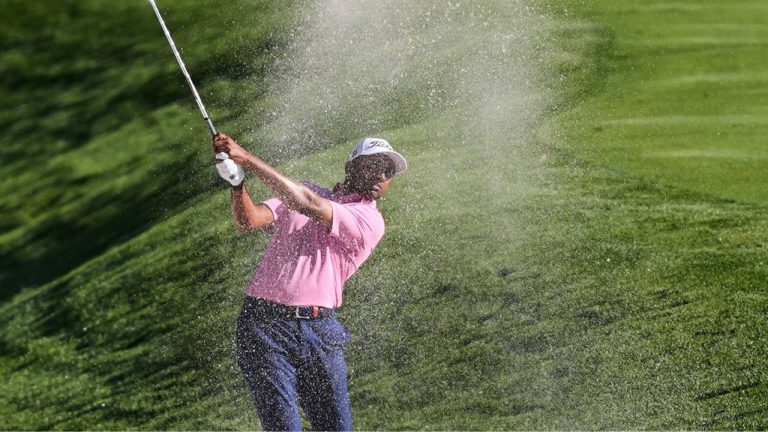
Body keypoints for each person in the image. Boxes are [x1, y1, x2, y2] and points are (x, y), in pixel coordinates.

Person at [211, 133, 407, 431]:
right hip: (263, 327)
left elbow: (308, 205)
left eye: (389, 170)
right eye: (376, 164)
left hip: (321, 333)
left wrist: (246, 158)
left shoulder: (369, 219)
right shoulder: (308, 192)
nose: (382, 174)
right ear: (350, 167)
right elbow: (248, 221)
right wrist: (238, 185)